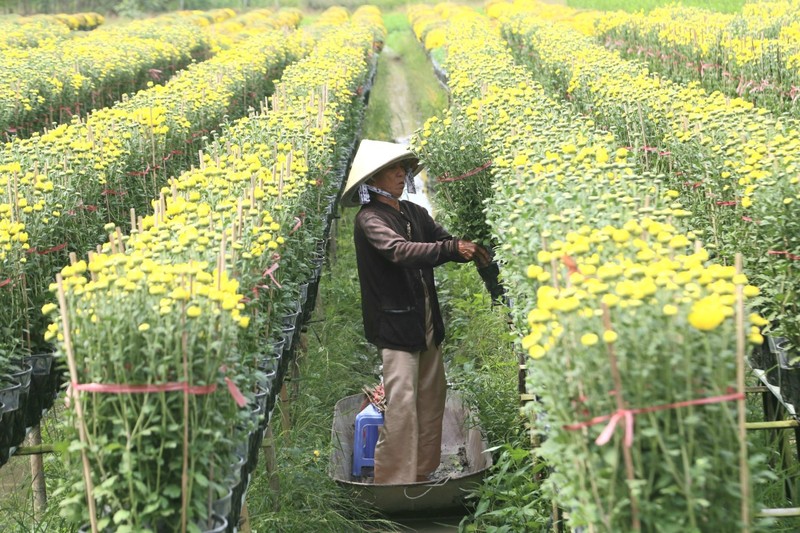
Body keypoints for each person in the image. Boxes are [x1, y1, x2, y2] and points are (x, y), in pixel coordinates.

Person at [341, 139, 491, 485]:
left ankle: (423, 470)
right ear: (373, 181)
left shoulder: (414, 213)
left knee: (432, 396)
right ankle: (393, 481)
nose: (400, 174)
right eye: (391, 171)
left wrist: (470, 245)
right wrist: (451, 248)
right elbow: (401, 251)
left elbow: (443, 241)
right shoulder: (370, 220)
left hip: (425, 320)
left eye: (401, 169)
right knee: (403, 405)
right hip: (395, 326)